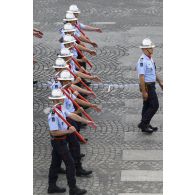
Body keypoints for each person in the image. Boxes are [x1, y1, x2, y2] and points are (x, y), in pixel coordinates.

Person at [48, 89, 88, 194]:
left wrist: (86, 121)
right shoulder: (53, 114)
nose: (63, 99)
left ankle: (51, 186)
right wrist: (68, 131)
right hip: (58, 141)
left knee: (55, 164)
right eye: (61, 98)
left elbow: (71, 115)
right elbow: (54, 132)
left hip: (61, 141)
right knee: (70, 164)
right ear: (57, 100)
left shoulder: (60, 109)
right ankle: (73, 188)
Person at [136, 38, 163, 133]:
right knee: (155, 105)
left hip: (151, 85)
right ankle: (144, 123)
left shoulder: (150, 58)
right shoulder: (142, 61)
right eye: (150, 48)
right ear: (145, 49)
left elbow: (153, 72)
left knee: (147, 105)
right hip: (147, 86)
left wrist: (160, 82)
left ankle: (145, 123)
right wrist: (144, 92)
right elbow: (141, 77)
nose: (152, 50)